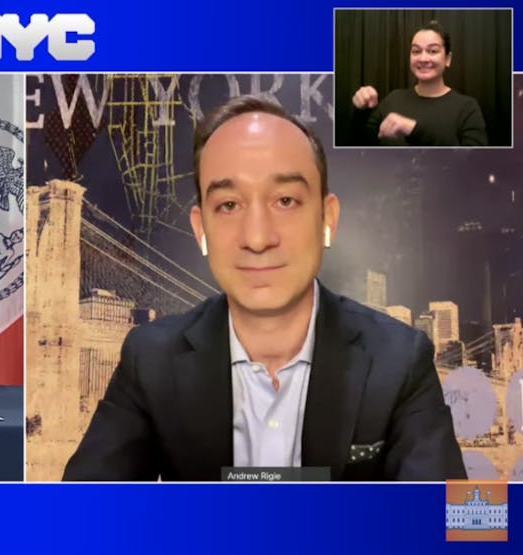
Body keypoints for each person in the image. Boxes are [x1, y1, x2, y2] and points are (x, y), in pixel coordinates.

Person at [63, 95, 466, 481]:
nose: (257, 238)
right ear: (201, 229)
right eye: (229, 205)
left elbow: (461, 527)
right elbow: (75, 522)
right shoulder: (149, 359)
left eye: (286, 200)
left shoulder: (399, 360)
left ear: (327, 219)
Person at [351, 20, 487, 146]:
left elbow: (475, 161)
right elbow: (361, 145)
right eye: (416, 51)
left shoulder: (467, 108)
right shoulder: (393, 99)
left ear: (447, 59)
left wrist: (413, 129)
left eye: (433, 51)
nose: (423, 58)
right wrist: (362, 111)